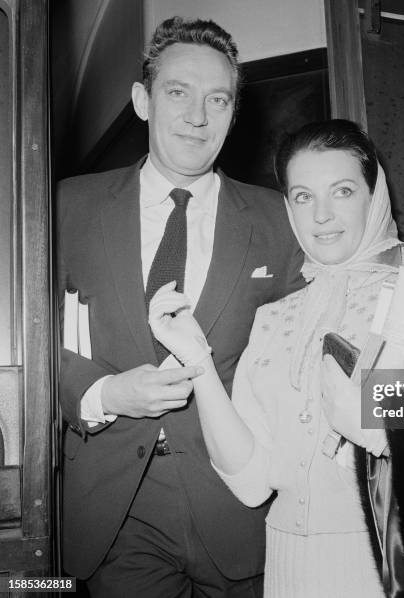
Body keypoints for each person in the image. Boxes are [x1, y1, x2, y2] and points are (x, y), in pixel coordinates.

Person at [148, 119, 404, 597]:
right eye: (304, 197)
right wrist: (197, 358)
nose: (322, 214)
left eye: (343, 191)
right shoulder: (271, 319)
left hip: (391, 568)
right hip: (288, 566)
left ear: (375, 198)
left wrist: (379, 425)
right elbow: (251, 483)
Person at [57, 16, 303, 598]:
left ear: (234, 113)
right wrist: (104, 393)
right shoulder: (66, 207)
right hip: (116, 515)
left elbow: (300, 361)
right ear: (142, 101)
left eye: (218, 99)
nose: (198, 116)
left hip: (239, 510)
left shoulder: (280, 221)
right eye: (178, 93)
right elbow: (23, 334)